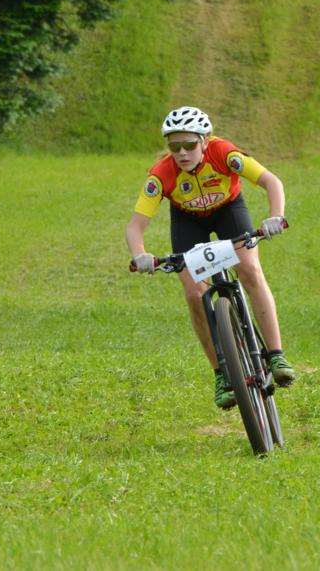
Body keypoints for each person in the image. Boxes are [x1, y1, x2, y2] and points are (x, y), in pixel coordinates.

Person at [126, 106, 296, 408]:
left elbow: (272, 182)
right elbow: (135, 226)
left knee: (249, 269)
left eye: (189, 144)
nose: (182, 153)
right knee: (195, 293)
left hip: (229, 210)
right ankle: (221, 374)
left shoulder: (224, 153)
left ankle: (276, 355)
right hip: (188, 221)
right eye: (174, 146)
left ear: (204, 141)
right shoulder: (161, 174)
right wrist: (140, 255)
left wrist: (276, 215)